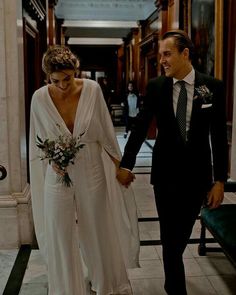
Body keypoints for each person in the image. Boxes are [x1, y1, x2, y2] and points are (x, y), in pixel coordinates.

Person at [117, 30, 228, 295]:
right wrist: (126, 164)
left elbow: (219, 137)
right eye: (161, 56)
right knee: (169, 235)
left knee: (178, 237)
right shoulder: (157, 86)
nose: (162, 60)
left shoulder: (211, 87)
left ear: (184, 54)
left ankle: (171, 277)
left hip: (198, 177)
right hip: (165, 175)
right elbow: (141, 127)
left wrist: (220, 181)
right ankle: (176, 289)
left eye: (167, 54)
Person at [29, 45, 140, 295]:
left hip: (91, 168)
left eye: (67, 78)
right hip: (57, 174)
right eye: (55, 80)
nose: (62, 85)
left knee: (96, 227)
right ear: (48, 77)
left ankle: (105, 284)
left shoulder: (92, 90)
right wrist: (51, 161)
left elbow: (106, 133)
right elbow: (38, 141)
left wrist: (119, 167)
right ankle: (67, 288)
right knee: (59, 230)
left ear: (75, 71)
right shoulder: (38, 98)